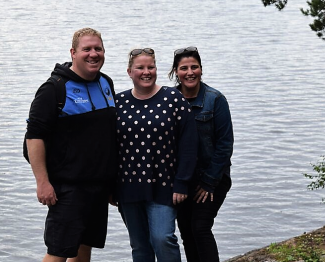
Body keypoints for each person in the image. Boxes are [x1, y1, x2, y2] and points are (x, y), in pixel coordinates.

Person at [25, 27, 117, 262]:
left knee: (84, 248)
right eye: (86, 49)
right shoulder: (54, 89)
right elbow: (34, 137)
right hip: (67, 188)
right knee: (58, 252)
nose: (93, 54)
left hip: (98, 187)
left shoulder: (106, 83)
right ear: (73, 52)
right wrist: (42, 182)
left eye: (98, 48)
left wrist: (111, 182)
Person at [115, 47, 197, 262]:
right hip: (128, 186)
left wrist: (182, 182)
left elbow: (189, 144)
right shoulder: (118, 103)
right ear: (129, 71)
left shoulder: (173, 98)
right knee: (140, 246)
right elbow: (110, 148)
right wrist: (109, 187)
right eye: (140, 68)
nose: (146, 72)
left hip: (165, 185)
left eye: (150, 67)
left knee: (163, 238)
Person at [168, 46, 234, 262]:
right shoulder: (169, 100)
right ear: (176, 72)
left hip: (212, 178)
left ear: (201, 70)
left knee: (200, 227)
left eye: (194, 67)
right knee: (186, 231)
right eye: (184, 68)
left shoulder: (215, 100)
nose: (190, 72)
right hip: (182, 181)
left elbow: (225, 144)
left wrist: (209, 183)